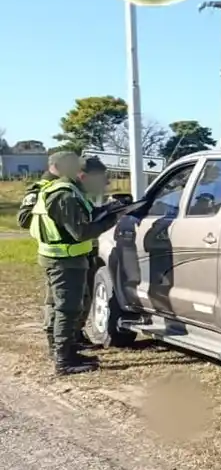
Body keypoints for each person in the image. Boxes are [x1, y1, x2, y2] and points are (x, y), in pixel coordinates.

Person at [18, 151, 126, 375]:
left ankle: (67, 351)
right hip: (64, 260)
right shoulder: (64, 194)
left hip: (65, 258)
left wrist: (108, 209)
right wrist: (112, 219)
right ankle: (64, 360)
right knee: (67, 308)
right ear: (81, 175)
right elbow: (81, 232)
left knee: (66, 307)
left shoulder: (70, 191)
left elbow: (83, 218)